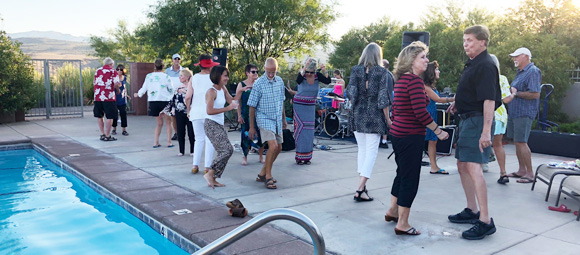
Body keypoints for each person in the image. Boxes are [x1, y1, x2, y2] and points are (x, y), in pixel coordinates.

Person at [385, 42, 449, 236]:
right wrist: (439, 132)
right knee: (410, 179)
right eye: (423, 57)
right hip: (410, 136)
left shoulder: (402, 80)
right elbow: (421, 113)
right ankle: (403, 223)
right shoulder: (413, 81)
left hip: (398, 134)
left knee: (402, 173)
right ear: (412, 61)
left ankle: (393, 211)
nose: (427, 60)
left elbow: (397, 110)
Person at [447, 25, 501, 240]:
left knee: (474, 168)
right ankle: (471, 210)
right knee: (462, 165)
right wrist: (458, 104)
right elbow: (473, 94)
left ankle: (485, 220)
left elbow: (489, 99)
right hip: (468, 119)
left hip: (478, 122)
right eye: (464, 40)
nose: (465, 44)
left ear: (483, 42)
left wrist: (486, 131)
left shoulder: (486, 65)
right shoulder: (474, 63)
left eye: (470, 40)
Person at [345, 42, 391, 202]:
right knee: (371, 153)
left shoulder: (355, 70)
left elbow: (351, 93)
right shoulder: (382, 72)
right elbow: (383, 99)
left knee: (362, 151)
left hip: (358, 114)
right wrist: (388, 120)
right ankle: (359, 189)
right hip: (374, 117)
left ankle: (362, 188)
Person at [247, 57, 288, 189]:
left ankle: (262, 173)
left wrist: (284, 119)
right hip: (264, 118)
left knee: (279, 147)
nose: (270, 75)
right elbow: (252, 106)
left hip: (276, 118)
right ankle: (268, 177)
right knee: (273, 146)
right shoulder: (259, 83)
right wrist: (252, 127)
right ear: (264, 69)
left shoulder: (279, 81)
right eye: (268, 72)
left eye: (273, 72)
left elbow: (281, 101)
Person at [505, 47, 542, 184]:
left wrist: (516, 93)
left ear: (526, 56)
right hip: (515, 112)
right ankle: (521, 170)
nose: (514, 59)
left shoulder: (532, 71)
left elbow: (535, 94)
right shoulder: (520, 72)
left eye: (517, 56)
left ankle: (530, 174)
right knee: (517, 141)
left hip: (524, 112)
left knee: (521, 142)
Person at [286, 57, 331, 164]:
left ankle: (307, 157)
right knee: (300, 129)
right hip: (299, 106)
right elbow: (298, 80)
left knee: (309, 131)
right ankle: (299, 156)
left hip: (310, 106)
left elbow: (328, 81)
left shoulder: (317, 76)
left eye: (312, 71)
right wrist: (305, 67)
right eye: (308, 71)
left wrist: (324, 69)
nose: (310, 73)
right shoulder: (302, 75)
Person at [203, 65, 240, 188]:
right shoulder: (211, 91)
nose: (227, 78)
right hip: (211, 124)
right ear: (218, 76)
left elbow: (232, 101)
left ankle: (212, 178)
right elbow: (209, 111)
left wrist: (241, 90)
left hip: (218, 124)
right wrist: (227, 108)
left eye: (227, 76)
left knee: (225, 151)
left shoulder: (222, 89)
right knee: (227, 150)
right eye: (225, 75)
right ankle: (210, 173)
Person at [185, 54, 220, 174]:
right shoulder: (213, 78)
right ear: (210, 66)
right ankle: (207, 167)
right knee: (209, 139)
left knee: (198, 139)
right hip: (209, 113)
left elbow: (188, 97)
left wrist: (188, 110)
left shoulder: (194, 78)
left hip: (196, 112)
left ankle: (195, 165)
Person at [134, 58, 175, 148]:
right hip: (165, 100)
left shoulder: (149, 76)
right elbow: (171, 89)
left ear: (154, 66)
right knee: (168, 122)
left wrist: (138, 94)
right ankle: (169, 142)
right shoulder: (166, 77)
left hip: (153, 101)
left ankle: (156, 142)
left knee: (159, 123)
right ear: (163, 66)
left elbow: (144, 88)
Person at [423, 61, 455, 174]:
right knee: (425, 141)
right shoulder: (425, 87)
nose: (439, 71)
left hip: (432, 114)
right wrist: (454, 98)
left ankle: (434, 166)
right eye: (436, 69)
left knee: (433, 141)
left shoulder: (430, 86)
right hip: (426, 115)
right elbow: (438, 99)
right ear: (431, 72)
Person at [489, 54, 514, 184]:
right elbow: (506, 99)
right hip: (499, 114)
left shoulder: (481, 77)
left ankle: (479, 166)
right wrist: (513, 92)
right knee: (498, 144)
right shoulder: (502, 78)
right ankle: (503, 172)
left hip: (484, 113)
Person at [161, 68, 195, 157]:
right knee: (180, 132)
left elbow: (194, 99)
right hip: (179, 112)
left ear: (187, 77)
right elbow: (173, 100)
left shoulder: (192, 87)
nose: (179, 77)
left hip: (190, 112)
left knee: (191, 132)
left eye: (181, 75)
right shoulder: (178, 87)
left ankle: (192, 150)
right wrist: (165, 110)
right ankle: (181, 150)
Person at [236, 64, 265, 165]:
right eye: (253, 72)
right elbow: (237, 101)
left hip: (258, 114)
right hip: (245, 113)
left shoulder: (259, 84)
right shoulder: (242, 84)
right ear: (247, 73)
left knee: (260, 135)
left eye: (257, 72)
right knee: (245, 135)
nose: (255, 74)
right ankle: (245, 156)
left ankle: (261, 156)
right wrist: (239, 115)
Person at [93, 57, 121, 141]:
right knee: (110, 116)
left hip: (97, 96)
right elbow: (116, 84)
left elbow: (95, 82)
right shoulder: (113, 71)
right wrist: (118, 90)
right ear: (111, 64)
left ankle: (102, 134)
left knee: (99, 115)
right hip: (108, 97)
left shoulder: (97, 71)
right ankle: (108, 135)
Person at [166, 53, 183, 141]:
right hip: (171, 97)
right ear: (172, 60)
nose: (177, 60)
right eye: (175, 59)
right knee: (173, 116)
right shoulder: (167, 71)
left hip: (182, 96)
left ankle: (182, 132)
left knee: (182, 115)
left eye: (178, 59)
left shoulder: (183, 70)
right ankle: (176, 133)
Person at [379, 59, 395, 149]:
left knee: (384, 119)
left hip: (384, 100)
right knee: (385, 119)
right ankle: (383, 140)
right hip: (388, 99)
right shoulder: (390, 74)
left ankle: (384, 141)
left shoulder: (384, 75)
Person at [112, 64, 130, 136]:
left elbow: (125, 88)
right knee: (114, 114)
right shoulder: (114, 78)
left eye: (121, 70)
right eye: (118, 69)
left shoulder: (124, 78)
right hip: (115, 98)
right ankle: (114, 129)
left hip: (122, 99)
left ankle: (124, 130)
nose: (119, 71)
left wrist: (127, 95)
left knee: (123, 114)